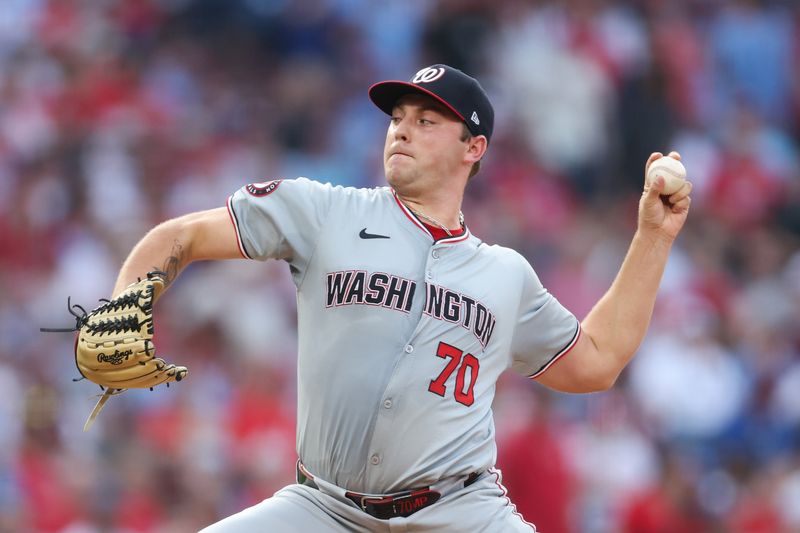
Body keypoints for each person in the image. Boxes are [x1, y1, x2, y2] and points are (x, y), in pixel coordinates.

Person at [110, 64, 691, 532]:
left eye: (427, 119)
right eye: (397, 117)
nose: (402, 128)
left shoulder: (504, 274)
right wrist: (121, 317)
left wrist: (653, 237)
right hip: (324, 509)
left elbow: (598, 361)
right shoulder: (323, 211)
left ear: (474, 147)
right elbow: (180, 237)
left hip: (459, 511)